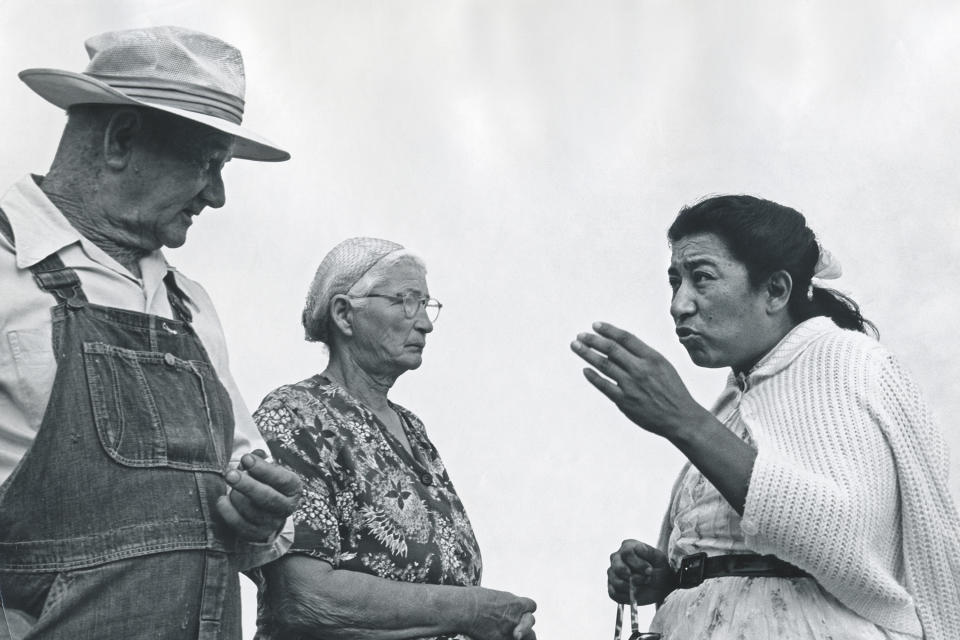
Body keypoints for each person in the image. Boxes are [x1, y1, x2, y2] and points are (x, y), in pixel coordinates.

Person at [0, 26, 301, 639]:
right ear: (121, 140)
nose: (216, 196)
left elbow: (245, 483)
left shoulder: (191, 306)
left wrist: (260, 513)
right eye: (208, 162)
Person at [571, 195, 960, 639]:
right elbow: (761, 550)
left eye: (701, 278)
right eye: (675, 282)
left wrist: (684, 420)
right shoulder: (740, 395)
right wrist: (673, 576)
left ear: (775, 290)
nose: (679, 305)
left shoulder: (840, 359)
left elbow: (846, 535)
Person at [252, 237, 537, 640]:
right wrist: (471, 610)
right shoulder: (295, 414)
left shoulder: (412, 430)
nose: (424, 322)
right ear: (344, 315)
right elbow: (304, 595)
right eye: (406, 300)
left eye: (426, 304)